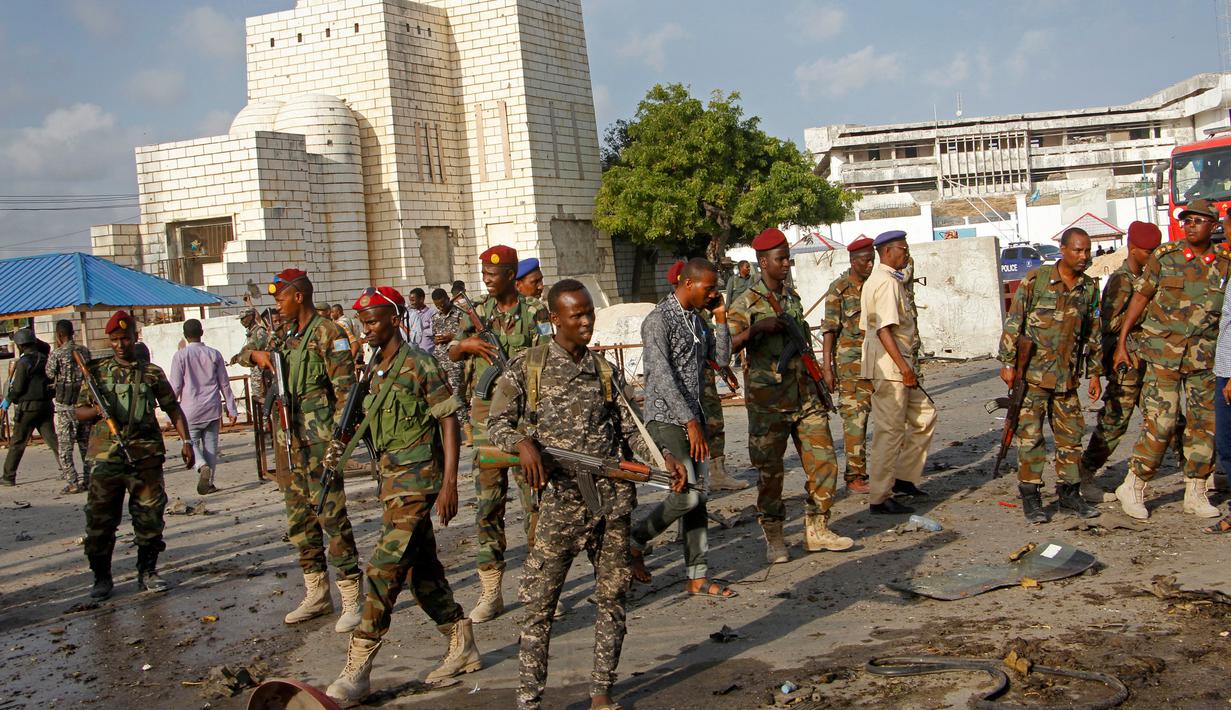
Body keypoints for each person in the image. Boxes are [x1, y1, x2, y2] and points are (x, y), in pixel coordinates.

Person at [486, 279, 685, 710]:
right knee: (539, 606)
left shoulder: (604, 371)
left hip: (611, 504)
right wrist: (522, 444)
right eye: (576, 315)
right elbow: (495, 423)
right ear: (555, 319)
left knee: (612, 598)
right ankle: (529, 699)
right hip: (559, 506)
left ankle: (602, 691)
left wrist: (663, 456)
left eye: (589, 313)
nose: (586, 322)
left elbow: (630, 424)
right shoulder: (529, 367)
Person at [325, 286, 481, 704]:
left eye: (374, 321)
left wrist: (450, 483)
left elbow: (449, 422)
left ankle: (358, 664)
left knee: (383, 568)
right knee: (421, 571)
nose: (367, 329)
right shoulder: (373, 370)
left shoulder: (419, 363)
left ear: (395, 320)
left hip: (420, 483)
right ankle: (460, 640)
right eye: (363, 323)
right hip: (391, 484)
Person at [240, 268, 364, 631]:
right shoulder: (282, 334)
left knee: (332, 517)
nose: (276, 306)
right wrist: (258, 358)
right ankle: (316, 593)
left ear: (299, 296)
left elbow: (345, 392)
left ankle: (351, 597)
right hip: (288, 443)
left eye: (281, 298)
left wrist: (338, 443)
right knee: (299, 520)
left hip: (320, 442)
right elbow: (245, 351)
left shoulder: (329, 334)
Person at [728, 228, 852, 563]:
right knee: (771, 475)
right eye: (781, 259)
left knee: (825, 462)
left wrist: (821, 376)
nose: (786, 264)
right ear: (763, 262)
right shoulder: (744, 303)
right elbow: (723, 346)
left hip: (805, 397)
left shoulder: (791, 297)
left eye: (788, 259)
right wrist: (755, 330)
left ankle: (817, 527)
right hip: (768, 403)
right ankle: (776, 538)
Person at [448, 245, 551, 623]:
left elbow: (546, 357)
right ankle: (490, 590)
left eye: (493, 275)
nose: (487, 280)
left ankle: (540, 583)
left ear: (511, 275)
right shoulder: (476, 312)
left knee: (535, 505)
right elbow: (454, 354)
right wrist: (467, 344)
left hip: (525, 421)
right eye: (484, 275)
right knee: (489, 506)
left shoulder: (535, 311)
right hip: (485, 422)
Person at [1112, 199, 1231, 520]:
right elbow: (1140, 298)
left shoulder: (1225, 263)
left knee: (1204, 425)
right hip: (1163, 355)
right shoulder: (1166, 258)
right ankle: (1134, 485)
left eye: (1198, 220)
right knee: (1162, 422)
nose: (1191, 224)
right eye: (1187, 220)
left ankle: (1196, 490)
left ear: (1213, 225)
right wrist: (1122, 342)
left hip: (1205, 359)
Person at [629, 258, 734, 597]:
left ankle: (697, 574)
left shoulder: (697, 321)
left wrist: (720, 320)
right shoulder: (658, 321)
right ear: (689, 283)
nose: (713, 293)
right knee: (687, 495)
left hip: (694, 418)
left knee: (699, 497)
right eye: (710, 288)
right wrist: (689, 422)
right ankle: (635, 539)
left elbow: (721, 358)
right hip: (667, 419)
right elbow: (660, 374)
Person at [75, 310, 193, 599]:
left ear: (133, 338)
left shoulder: (151, 373)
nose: (120, 345)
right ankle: (102, 578)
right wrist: (98, 411)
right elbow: (78, 412)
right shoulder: (97, 373)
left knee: (150, 518)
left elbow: (172, 408)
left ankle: (148, 572)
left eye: (124, 339)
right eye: (114, 340)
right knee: (100, 522)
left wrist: (187, 440)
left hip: (146, 458)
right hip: (106, 460)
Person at [999, 228, 1103, 523]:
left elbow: (1091, 335)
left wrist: (1094, 374)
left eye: (1087, 251)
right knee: (1030, 439)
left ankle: (1070, 494)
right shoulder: (1037, 280)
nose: (1084, 257)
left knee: (1071, 438)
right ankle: (1031, 498)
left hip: (1066, 378)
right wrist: (1007, 362)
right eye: (1078, 250)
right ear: (1063, 249)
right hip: (1032, 377)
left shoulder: (1088, 288)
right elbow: (1014, 321)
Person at [1080, 222, 1165, 500]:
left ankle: (1195, 475)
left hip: (1150, 359)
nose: (1152, 257)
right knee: (1115, 421)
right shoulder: (1121, 279)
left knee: (1167, 418)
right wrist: (1145, 308)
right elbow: (1110, 324)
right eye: (1147, 251)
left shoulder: (1154, 275)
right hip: (1125, 361)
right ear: (1133, 249)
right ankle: (1085, 472)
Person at [860, 230, 937, 515]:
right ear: (889, 251)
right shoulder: (886, 283)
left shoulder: (881, 281)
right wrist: (904, 368)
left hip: (896, 365)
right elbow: (883, 330)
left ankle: (904, 477)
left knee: (925, 415)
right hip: (893, 367)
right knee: (889, 432)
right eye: (903, 250)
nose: (906, 254)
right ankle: (879, 497)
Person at [821, 236, 876, 494]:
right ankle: (855, 475)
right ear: (853, 262)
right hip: (851, 366)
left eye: (873, 260)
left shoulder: (877, 286)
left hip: (879, 360)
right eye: (866, 261)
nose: (870, 265)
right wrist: (827, 368)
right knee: (856, 420)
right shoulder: (839, 290)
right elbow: (829, 330)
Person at [170, 319, 238, 495]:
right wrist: (231, 408)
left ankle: (201, 466)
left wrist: (170, 408)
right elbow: (224, 384)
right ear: (202, 332)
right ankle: (210, 482)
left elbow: (176, 386)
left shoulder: (180, 356)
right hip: (212, 408)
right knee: (211, 447)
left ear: (184, 336)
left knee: (190, 442)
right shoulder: (214, 354)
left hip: (189, 410)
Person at [2, 328, 57, 486]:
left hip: (28, 408)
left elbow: (18, 387)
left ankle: (8, 477)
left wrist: (9, 399)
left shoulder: (24, 362)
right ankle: (67, 469)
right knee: (53, 439)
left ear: (20, 346)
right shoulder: (44, 358)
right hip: (46, 405)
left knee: (17, 442)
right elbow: (45, 347)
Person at [46, 320, 93, 494]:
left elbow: (50, 374)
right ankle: (88, 480)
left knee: (65, 447)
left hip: (65, 405)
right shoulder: (84, 351)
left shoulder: (57, 354)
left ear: (59, 335)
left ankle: (73, 482)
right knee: (85, 445)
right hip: (83, 405)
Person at [430, 287, 470, 435]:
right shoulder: (435, 317)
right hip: (440, 361)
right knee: (445, 397)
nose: (440, 307)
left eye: (442, 303)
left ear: (448, 299)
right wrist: (437, 339)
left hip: (456, 360)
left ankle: (467, 429)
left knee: (456, 396)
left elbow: (467, 336)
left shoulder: (460, 313)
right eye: (437, 305)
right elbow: (434, 336)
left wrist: (451, 337)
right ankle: (452, 430)